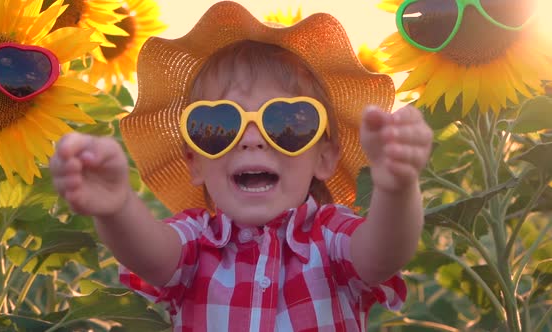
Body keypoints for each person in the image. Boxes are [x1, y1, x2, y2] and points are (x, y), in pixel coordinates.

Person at [50, 2, 433, 331]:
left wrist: (396, 189)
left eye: (287, 121)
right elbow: (151, 254)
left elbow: (384, 252)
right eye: (220, 126)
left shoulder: (329, 238)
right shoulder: (197, 242)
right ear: (194, 162)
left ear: (324, 157)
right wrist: (118, 208)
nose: (252, 139)